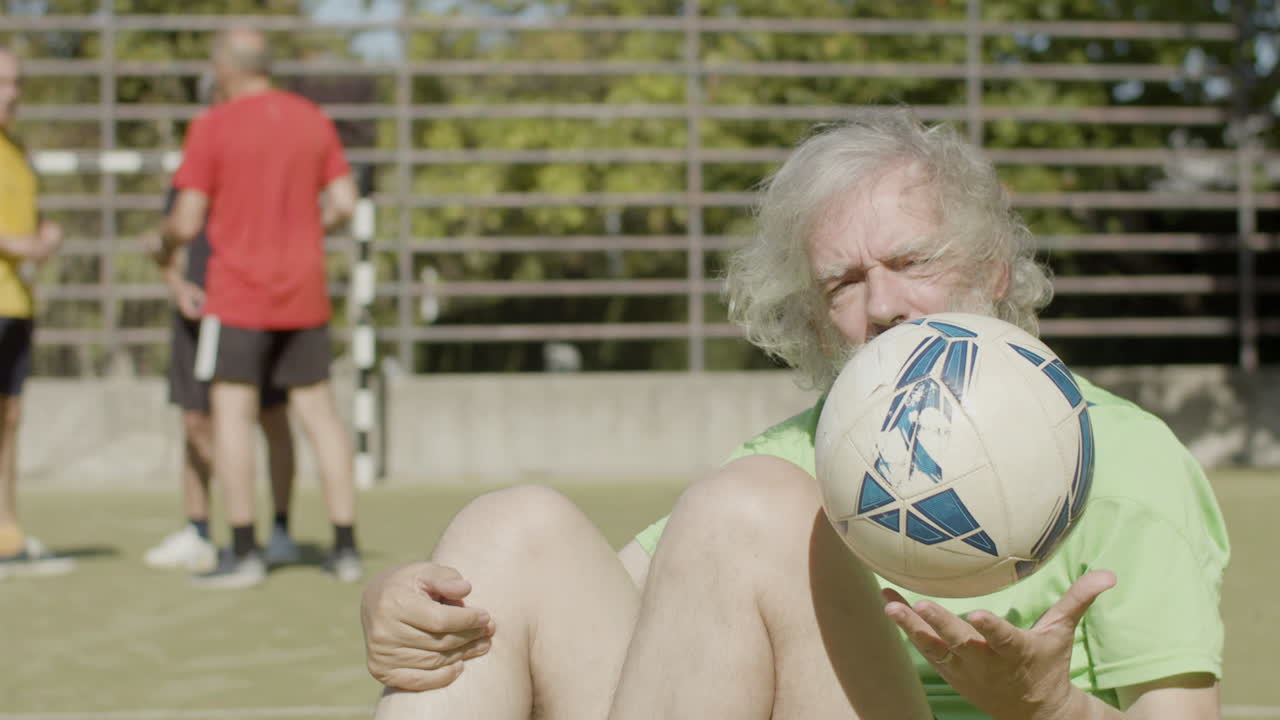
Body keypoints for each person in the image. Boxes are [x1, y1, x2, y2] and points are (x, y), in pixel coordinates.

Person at [359, 109, 1229, 719]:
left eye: (912, 259)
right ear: (816, 320)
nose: (884, 305)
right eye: (844, 283)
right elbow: (599, 613)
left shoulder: (1122, 456)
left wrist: (1053, 709)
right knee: (514, 529)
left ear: (994, 269)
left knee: (754, 505)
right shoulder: (791, 460)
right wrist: (402, 603)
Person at [158, 27, 360, 589]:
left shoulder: (213, 125)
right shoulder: (312, 119)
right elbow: (345, 202)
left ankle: (243, 552)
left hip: (239, 293)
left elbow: (187, 220)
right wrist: (305, 231)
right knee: (320, 416)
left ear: (226, 65)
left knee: (232, 417)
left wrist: (163, 245)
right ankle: (344, 548)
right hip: (305, 292)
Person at [143, 182, 301, 573]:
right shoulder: (187, 182)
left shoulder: (257, 177)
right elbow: (167, 243)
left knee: (272, 415)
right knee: (195, 421)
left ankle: (280, 530)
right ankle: (198, 531)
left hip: (254, 314)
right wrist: (179, 288)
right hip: (197, 320)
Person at [0, 46, 72, 579]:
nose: (12, 93)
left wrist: (45, 235)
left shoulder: (17, 152)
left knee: (9, 420)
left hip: (16, 305)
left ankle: (7, 535)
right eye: (3, 82)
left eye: (17, 82)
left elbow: (28, 219)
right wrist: (20, 244)